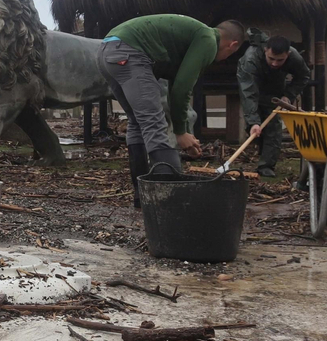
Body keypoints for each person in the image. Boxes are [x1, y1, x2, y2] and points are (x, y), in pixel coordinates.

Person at [101, 14, 245, 204]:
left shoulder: (191, 36)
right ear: (233, 45)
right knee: (154, 122)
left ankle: (142, 197)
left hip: (107, 51)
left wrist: (184, 131)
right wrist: (179, 131)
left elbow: (174, 86)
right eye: (230, 54)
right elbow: (182, 88)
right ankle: (171, 200)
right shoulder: (208, 40)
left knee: (138, 121)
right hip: (130, 51)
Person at [237, 35, 312, 178]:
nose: (275, 63)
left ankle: (266, 166)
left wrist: (288, 95)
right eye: (271, 58)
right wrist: (253, 122)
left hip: (275, 88)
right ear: (266, 50)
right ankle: (259, 145)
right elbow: (249, 93)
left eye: (280, 60)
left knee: (273, 126)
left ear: (287, 54)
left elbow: (303, 76)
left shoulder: (294, 57)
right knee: (254, 127)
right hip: (252, 84)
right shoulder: (250, 60)